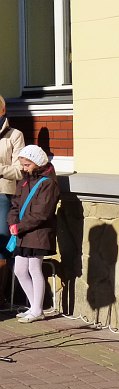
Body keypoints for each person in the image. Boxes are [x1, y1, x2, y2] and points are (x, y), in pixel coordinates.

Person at [8, 144, 61, 323]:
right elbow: (15, 204)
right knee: (19, 270)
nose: (24, 168)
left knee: (34, 269)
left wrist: (20, 226)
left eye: (27, 165)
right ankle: (34, 307)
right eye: (23, 165)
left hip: (38, 233)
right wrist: (12, 222)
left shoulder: (48, 183)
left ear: (37, 163)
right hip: (23, 233)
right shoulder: (25, 180)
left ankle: (37, 310)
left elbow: (42, 213)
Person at [0, 95, 26, 306]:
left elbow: (19, 171)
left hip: (3, 194)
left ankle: (2, 296)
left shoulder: (14, 135)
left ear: (3, 110)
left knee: (2, 246)